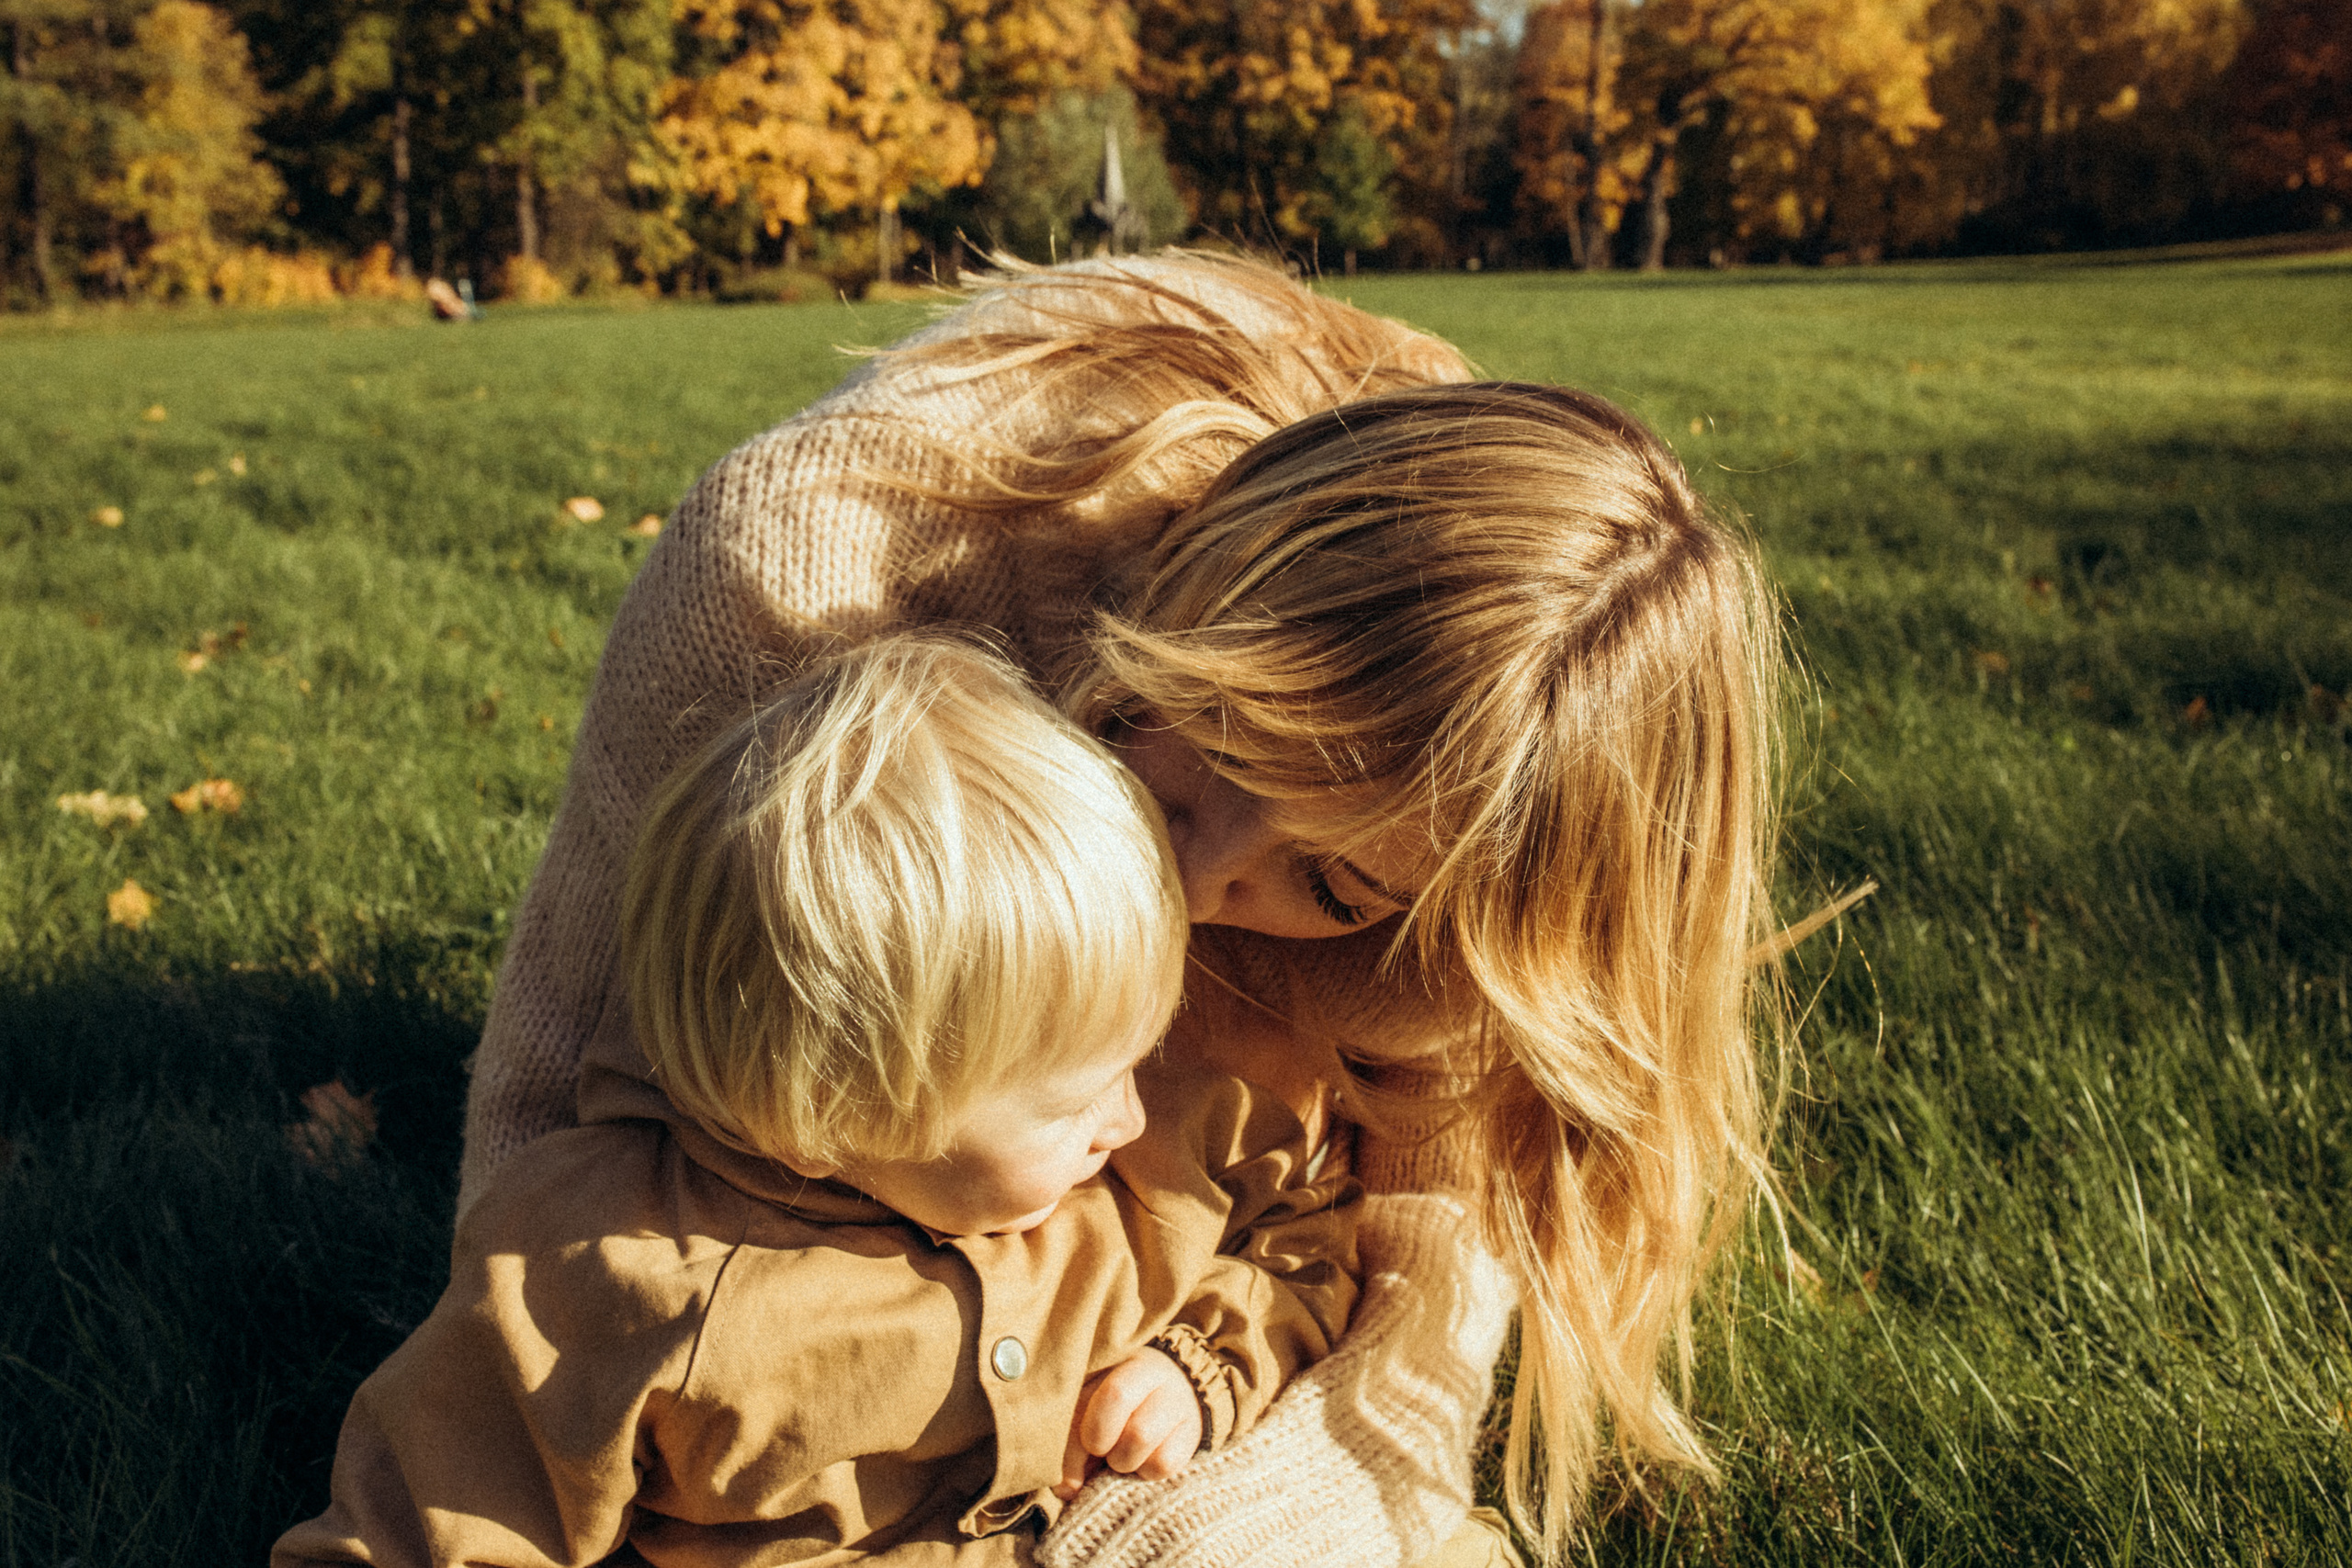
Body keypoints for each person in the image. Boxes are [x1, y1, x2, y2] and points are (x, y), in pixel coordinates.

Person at [460, 252, 1783, 1565]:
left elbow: (1419, 1235)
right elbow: (543, 1136)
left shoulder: (1496, 756)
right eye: (1201, 723)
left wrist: (1196, 1501)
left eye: (1333, 883)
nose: (1197, 878)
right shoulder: (799, 583)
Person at [274, 636, 1361, 1567]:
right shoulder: (612, 1278)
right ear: (835, 1120)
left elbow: (1310, 1235)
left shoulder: (1140, 1166)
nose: (1125, 1119)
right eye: (1079, 1099)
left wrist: (1199, 1361)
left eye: (1137, 1058)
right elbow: (431, 1529)